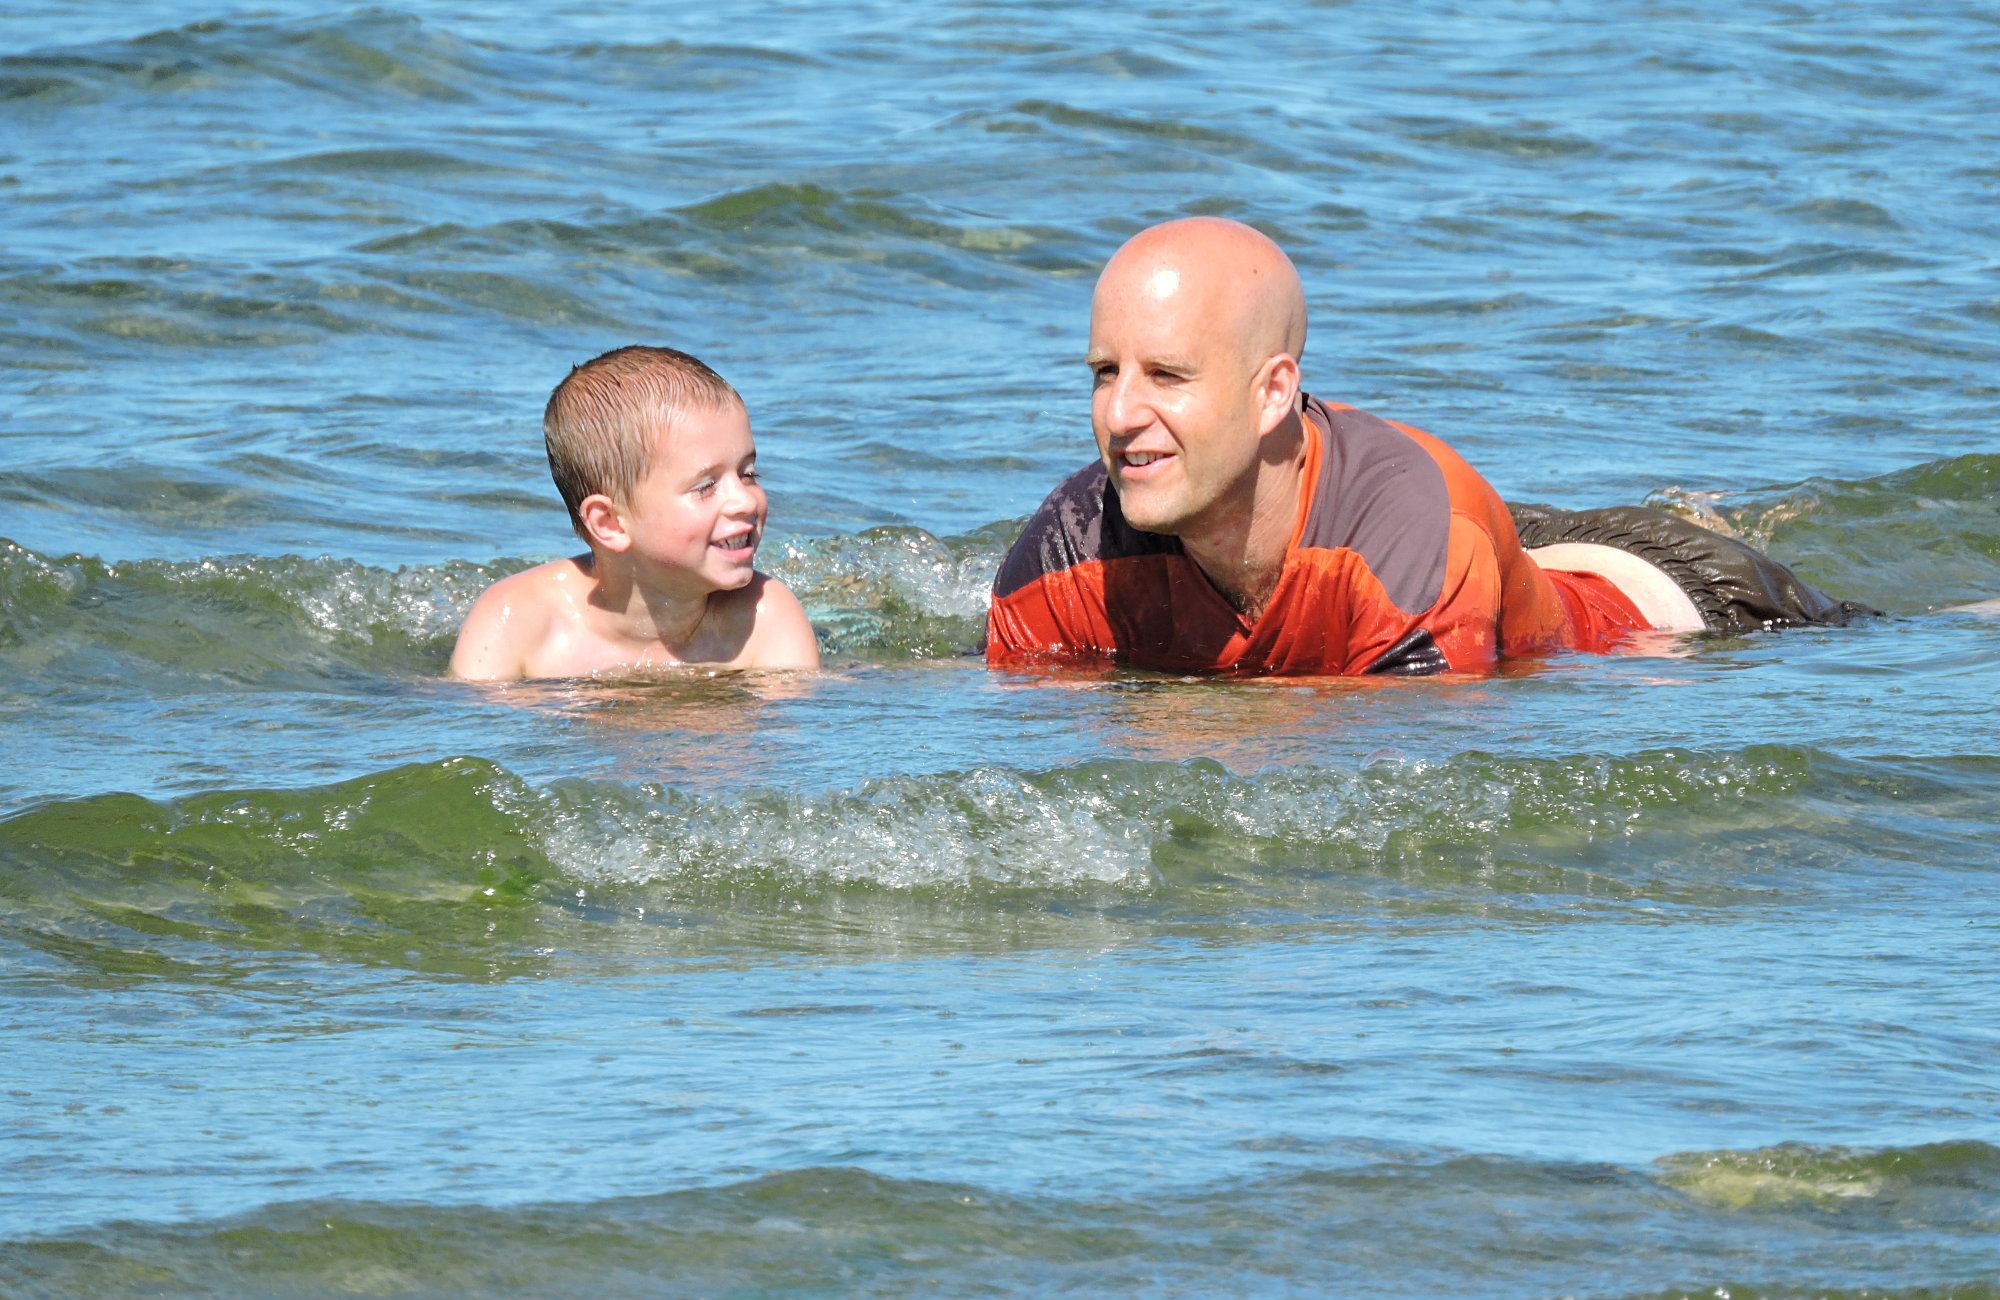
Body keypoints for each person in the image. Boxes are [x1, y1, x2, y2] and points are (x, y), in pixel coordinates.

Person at [986, 218, 1869, 675]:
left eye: (1166, 376)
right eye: (1105, 372)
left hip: (1671, 601)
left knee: (1896, 634)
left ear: (1272, 392)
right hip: (1459, 543)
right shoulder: (1073, 544)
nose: (1120, 414)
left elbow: (1411, 773)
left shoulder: (1406, 543)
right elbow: (1005, 704)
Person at [450, 346, 820, 681]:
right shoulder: (518, 622)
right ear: (609, 523)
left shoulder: (764, 618)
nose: (745, 501)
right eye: (705, 486)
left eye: (748, 474)